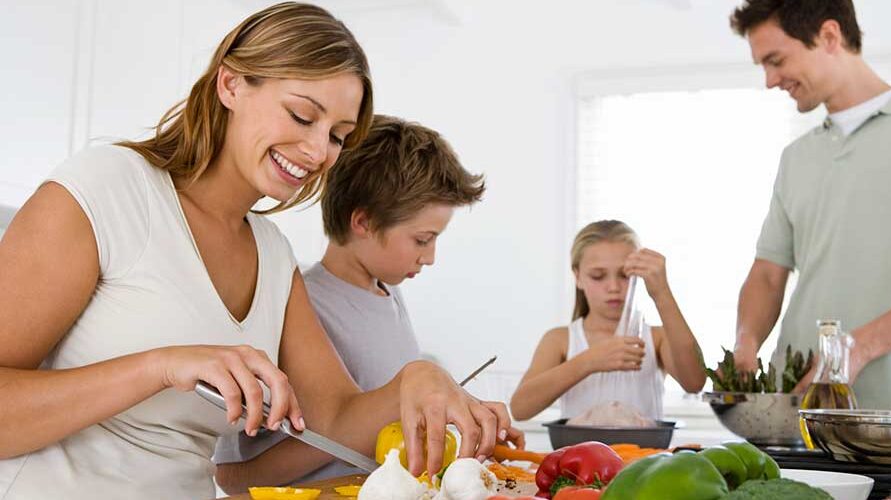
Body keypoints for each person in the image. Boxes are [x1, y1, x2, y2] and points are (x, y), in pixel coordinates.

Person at [0, 4, 516, 499]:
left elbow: (334, 419)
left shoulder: (273, 256)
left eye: (337, 136)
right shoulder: (107, 189)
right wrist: (158, 366)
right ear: (230, 84)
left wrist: (420, 379)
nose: (318, 152)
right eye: (300, 115)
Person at [214, 114, 522, 491]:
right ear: (362, 222)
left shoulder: (389, 293)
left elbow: (389, 418)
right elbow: (233, 475)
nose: (430, 257)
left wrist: (450, 409)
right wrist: (376, 421)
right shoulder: (297, 306)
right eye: (422, 239)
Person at [728, 0, 891, 412]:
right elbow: (767, 273)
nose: (769, 80)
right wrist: (746, 342)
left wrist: (855, 350)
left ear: (830, 36)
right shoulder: (797, 157)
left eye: (776, 60)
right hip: (803, 422)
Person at [509, 220, 706, 422]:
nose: (613, 286)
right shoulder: (559, 340)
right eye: (598, 276)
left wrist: (661, 292)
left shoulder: (657, 338)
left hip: (647, 453)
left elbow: (695, 383)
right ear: (577, 276)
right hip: (578, 453)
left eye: (624, 275)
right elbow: (520, 409)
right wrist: (590, 361)